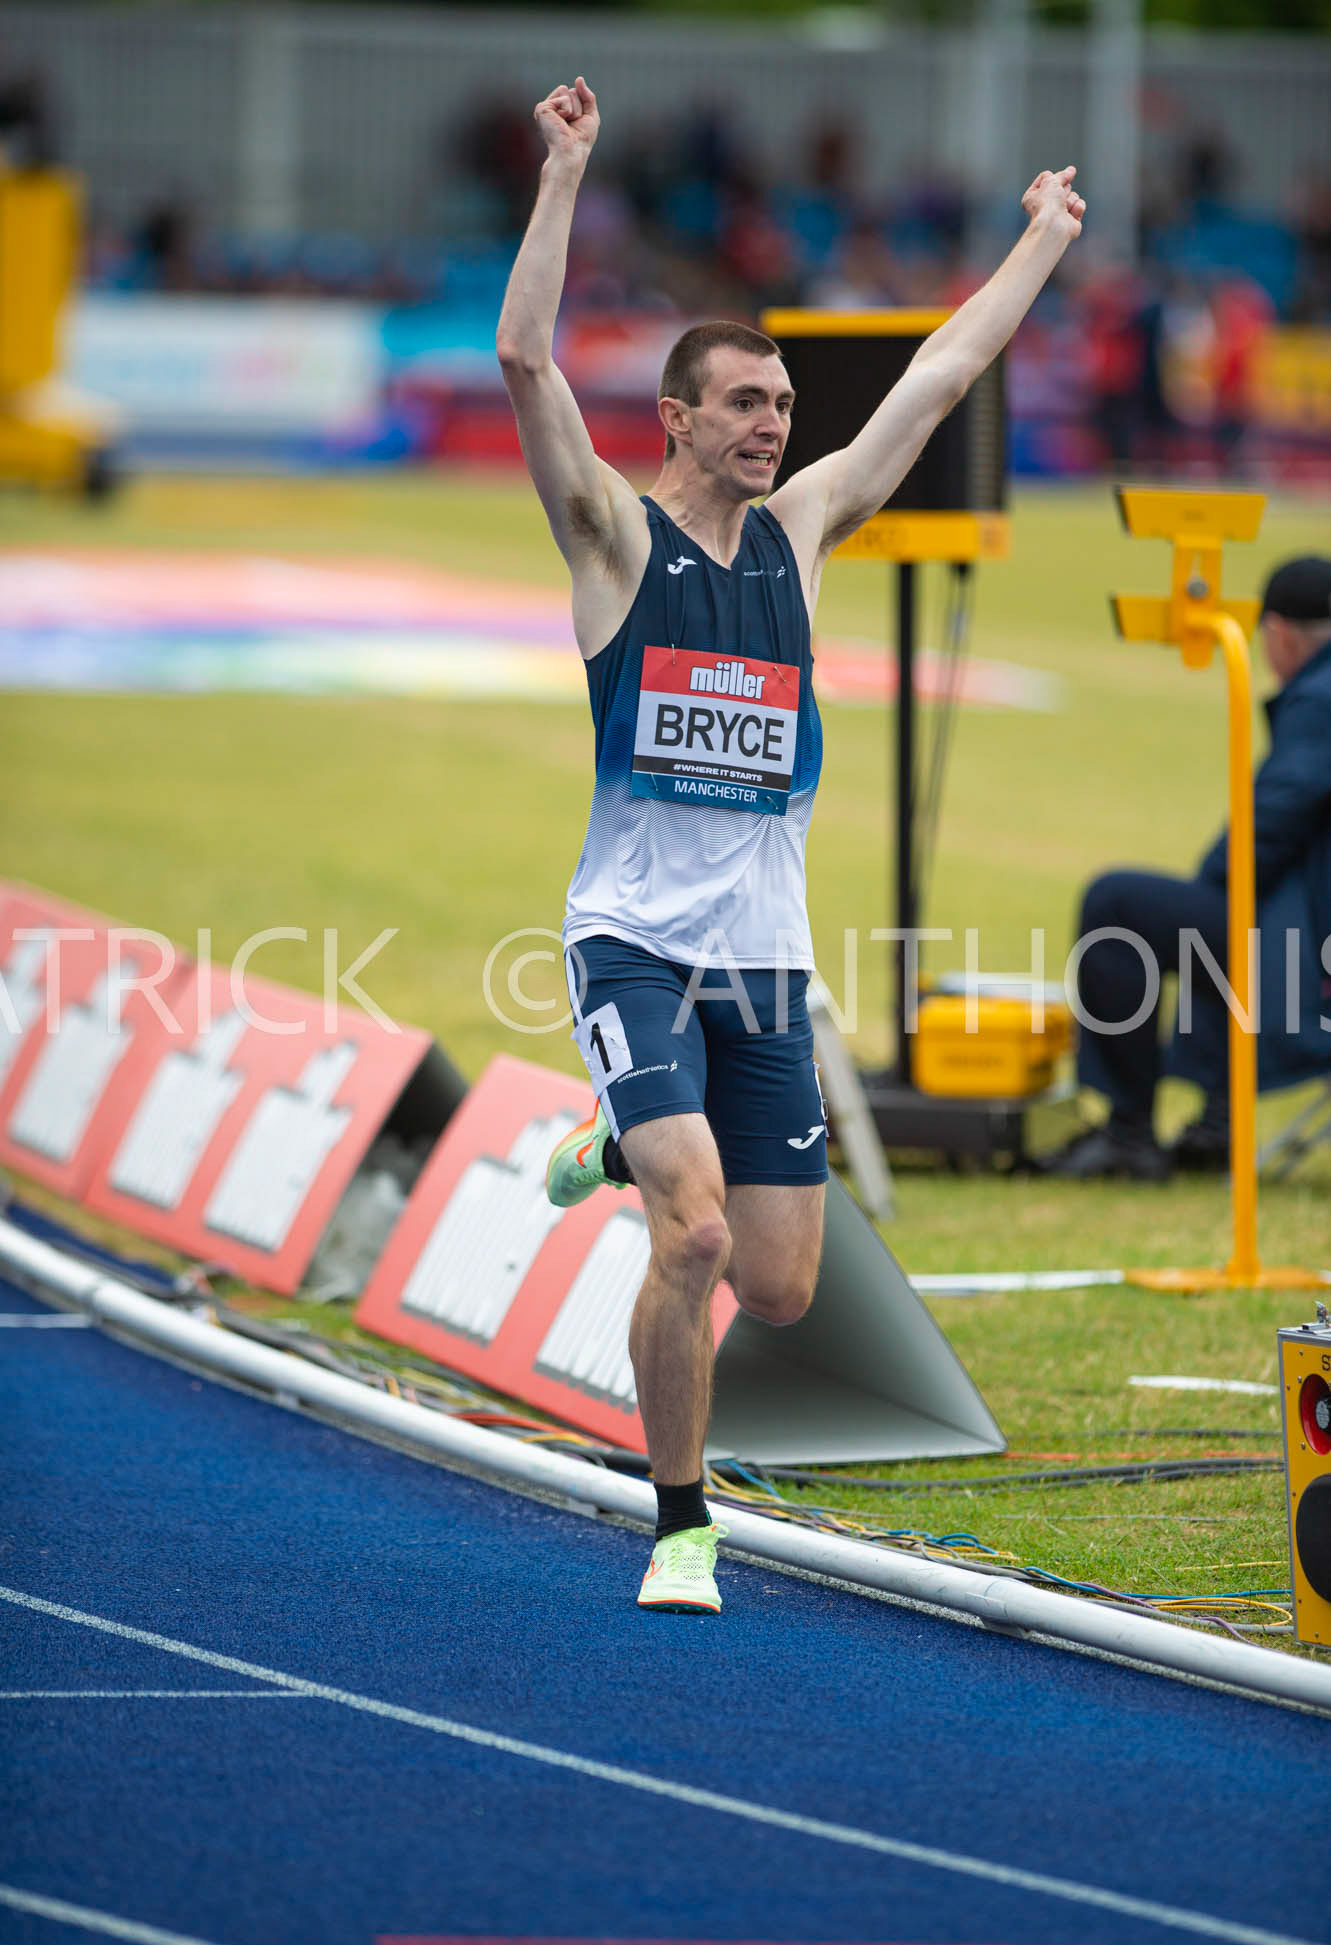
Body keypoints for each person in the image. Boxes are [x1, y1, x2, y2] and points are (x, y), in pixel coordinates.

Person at [497, 76, 1085, 1612]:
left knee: (777, 1282)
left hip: (761, 967)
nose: (775, 428)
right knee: (688, 1242)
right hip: (629, 942)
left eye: (784, 409)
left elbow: (941, 379)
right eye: (747, 405)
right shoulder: (612, 541)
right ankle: (680, 1524)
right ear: (678, 416)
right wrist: (567, 175)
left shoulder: (805, 534)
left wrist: (1038, 240)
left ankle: (615, 1137)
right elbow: (519, 356)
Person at [1040, 554, 1331, 1182]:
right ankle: (1216, 1123)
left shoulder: (1321, 697)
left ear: (1279, 633)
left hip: (1312, 951)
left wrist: (1216, 876)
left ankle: (1129, 1132)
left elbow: (1279, 812)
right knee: (1215, 914)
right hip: (1306, 925)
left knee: (1120, 905)